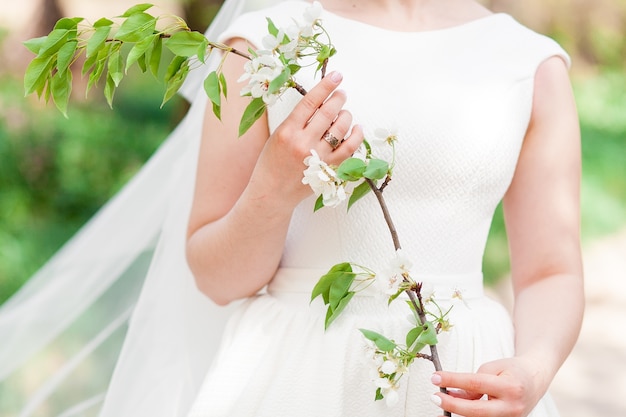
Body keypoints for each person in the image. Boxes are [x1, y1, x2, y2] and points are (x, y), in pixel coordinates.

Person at [0, 0, 583, 416]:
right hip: (297, 375)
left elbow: (550, 270)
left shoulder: (528, 63)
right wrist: (275, 184)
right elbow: (214, 276)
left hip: (462, 376)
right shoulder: (264, 46)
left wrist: (533, 368)